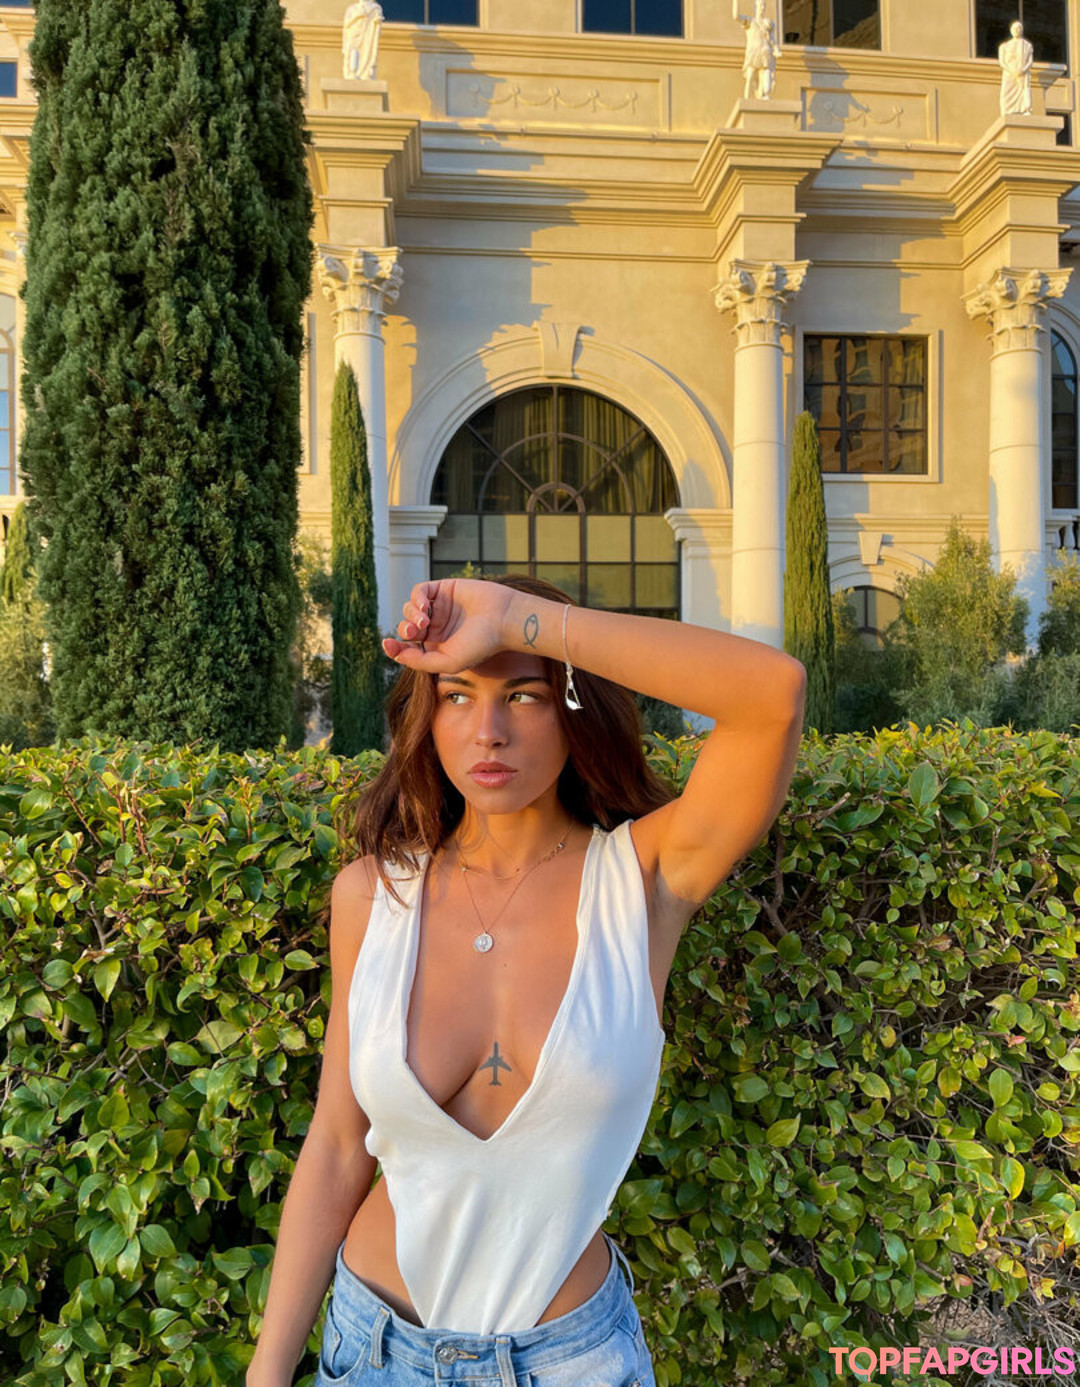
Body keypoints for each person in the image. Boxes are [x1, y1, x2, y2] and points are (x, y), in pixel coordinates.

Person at [246, 573, 805, 1387]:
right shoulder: (373, 895)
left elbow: (773, 695)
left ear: (573, 708)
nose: (489, 732)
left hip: (570, 1364)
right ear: (428, 716)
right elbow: (335, 1147)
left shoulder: (642, 882)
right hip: (374, 1353)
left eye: (525, 695)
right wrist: (267, 1372)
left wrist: (516, 619)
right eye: (458, 695)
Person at [734, 0, 782, 101]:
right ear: (755, 7)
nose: (762, 8)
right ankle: (747, 100)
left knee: (764, 77)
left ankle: (764, 95)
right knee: (750, 76)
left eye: (764, 6)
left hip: (765, 53)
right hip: (753, 53)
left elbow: (771, 39)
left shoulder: (767, 23)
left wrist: (776, 49)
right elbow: (736, 16)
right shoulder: (750, 22)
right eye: (760, 5)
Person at [998, 20, 1034, 117]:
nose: (1016, 30)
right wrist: (1012, 70)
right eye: (1014, 28)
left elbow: (1030, 61)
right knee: (1006, 93)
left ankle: (1025, 109)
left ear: (1022, 30)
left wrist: (1022, 70)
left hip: (1023, 74)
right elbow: (1002, 62)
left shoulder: (1027, 45)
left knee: (1025, 91)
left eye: (1019, 28)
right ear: (1011, 30)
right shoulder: (1004, 46)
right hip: (1009, 74)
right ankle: (1006, 111)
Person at [343, 0, 383, 82]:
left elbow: (377, 28)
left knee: (366, 53)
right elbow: (346, 24)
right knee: (352, 53)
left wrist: (377, 23)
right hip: (354, 34)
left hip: (367, 36)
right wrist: (358, 16)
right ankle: (351, 73)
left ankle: (365, 73)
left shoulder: (375, 8)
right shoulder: (352, 9)